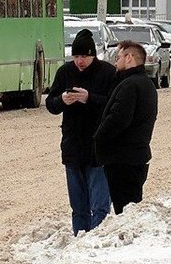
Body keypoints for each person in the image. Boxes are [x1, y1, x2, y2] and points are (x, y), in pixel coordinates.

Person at [47, 28, 117, 233]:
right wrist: (62, 100)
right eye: (76, 56)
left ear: (93, 55)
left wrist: (89, 98)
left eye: (84, 56)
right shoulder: (64, 72)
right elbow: (51, 104)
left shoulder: (107, 72)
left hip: (98, 147)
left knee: (100, 206)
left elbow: (115, 105)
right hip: (72, 146)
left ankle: (96, 242)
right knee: (78, 207)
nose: (80, 61)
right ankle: (79, 240)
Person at [94, 40, 159, 214]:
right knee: (130, 208)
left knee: (125, 210)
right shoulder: (145, 83)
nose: (115, 61)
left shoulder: (130, 85)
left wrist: (99, 138)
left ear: (129, 58)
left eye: (118, 57)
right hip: (134, 156)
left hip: (123, 159)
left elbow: (118, 119)